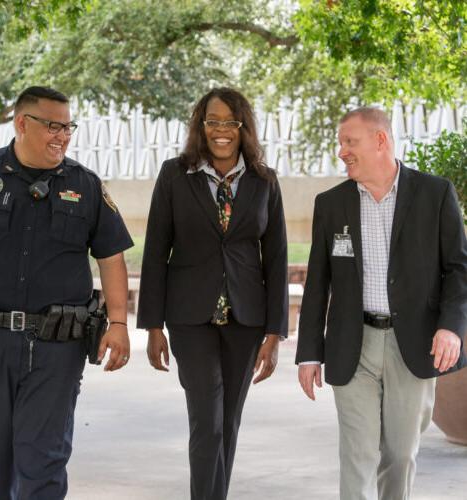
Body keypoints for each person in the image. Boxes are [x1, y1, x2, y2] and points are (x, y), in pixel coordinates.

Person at [0, 86, 134, 499]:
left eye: (68, 127)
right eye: (53, 126)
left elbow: (111, 257)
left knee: (43, 462)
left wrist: (118, 323)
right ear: (22, 123)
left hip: (56, 349)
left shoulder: (85, 184)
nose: (62, 135)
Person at [296, 106, 467, 500]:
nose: (342, 151)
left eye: (350, 142)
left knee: (400, 454)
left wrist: (451, 327)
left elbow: (458, 268)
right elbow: (318, 283)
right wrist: (309, 353)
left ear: (380, 141)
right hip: (352, 344)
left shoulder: (435, 193)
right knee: (356, 453)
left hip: (414, 341)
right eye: (340, 143)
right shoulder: (331, 204)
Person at [137, 87, 288, 500]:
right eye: (213, 122)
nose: (222, 131)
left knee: (230, 420)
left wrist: (274, 335)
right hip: (189, 318)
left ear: (244, 128)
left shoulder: (264, 181)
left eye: (230, 122)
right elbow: (154, 252)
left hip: (246, 319)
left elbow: (276, 261)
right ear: (201, 127)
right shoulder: (174, 175)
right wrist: (152, 326)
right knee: (207, 419)